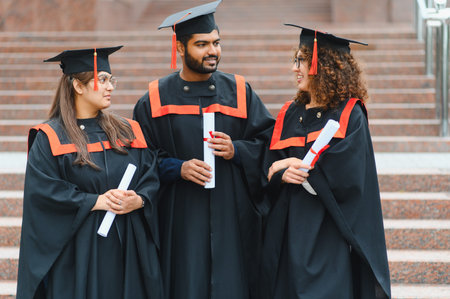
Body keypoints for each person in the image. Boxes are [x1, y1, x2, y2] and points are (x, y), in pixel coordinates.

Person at [133, 1, 275, 298]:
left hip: (232, 218)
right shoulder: (154, 99)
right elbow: (140, 160)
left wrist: (237, 150)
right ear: (181, 48)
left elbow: (268, 145)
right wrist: (177, 168)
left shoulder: (239, 91)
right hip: (181, 218)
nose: (212, 51)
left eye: (216, 42)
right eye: (202, 44)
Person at [17, 46, 163, 299]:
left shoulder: (129, 131)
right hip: (79, 252)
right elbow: (43, 193)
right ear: (78, 86)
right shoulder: (50, 137)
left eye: (111, 80)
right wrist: (95, 201)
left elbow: (150, 176)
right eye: (102, 80)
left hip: (128, 247)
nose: (110, 87)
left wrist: (138, 200)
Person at [260, 24, 391, 299]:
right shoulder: (289, 113)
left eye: (301, 61)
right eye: (294, 60)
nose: (294, 68)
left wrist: (290, 166)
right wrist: (279, 173)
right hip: (287, 229)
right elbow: (270, 166)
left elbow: (348, 174)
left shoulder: (349, 114)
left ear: (323, 65)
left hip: (328, 231)